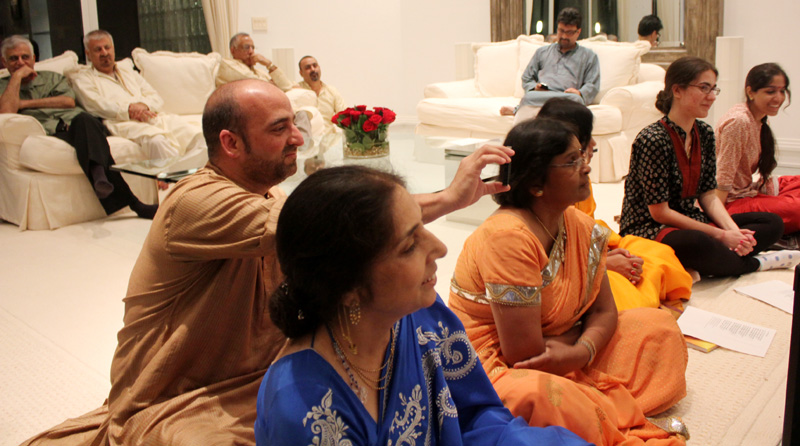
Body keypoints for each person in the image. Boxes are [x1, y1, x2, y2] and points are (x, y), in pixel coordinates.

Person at [19, 79, 516, 446]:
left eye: (294, 125)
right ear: (230, 143)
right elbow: (328, 223)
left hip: (266, 371)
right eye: (280, 129)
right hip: (182, 396)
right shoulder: (192, 203)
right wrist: (449, 198)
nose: (297, 138)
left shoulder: (270, 196)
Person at [256, 165, 589, 445]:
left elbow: (477, 417)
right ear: (348, 287)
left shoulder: (419, 315)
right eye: (409, 245)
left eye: (423, 227)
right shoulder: (305, 409)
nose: (440, 248)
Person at [448, 118, 690, 445]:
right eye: (572, 161)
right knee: (539, 395)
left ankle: (595, 407)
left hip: (562, 350)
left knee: (658, 327)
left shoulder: (576, 223)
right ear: (536, 183)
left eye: (583, 156)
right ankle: (604, 413)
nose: (586, 167)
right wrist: (577, 340)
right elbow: (524, 354)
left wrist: (581, 352)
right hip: (497, 364)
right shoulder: (507, 237)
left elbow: (604, 311)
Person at [619, 57, 790, 277]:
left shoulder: (705, 133)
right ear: (677, 90)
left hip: (692, 219)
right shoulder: (653, 139)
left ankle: (719, 259)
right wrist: (720, 236)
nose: (711, 96)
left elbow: (708, 195)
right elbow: (660, 213)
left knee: (772, 222)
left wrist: (734, 233)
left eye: (713, 89)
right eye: (704, 88)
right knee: (698, 241)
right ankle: (755, 263)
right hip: (649, 228)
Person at [538, 98, 692, 310]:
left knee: (658, 254)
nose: (593, 145)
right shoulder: (543, 190)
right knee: (624, 294)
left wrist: (604, 254)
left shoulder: (579, 177)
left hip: (591, 245)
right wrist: (602, 264)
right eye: (587, 138)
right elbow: (548, 258)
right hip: (568, 268)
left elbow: (586, 226)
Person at [0, 35, 157, 219]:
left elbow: (68, 101)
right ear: (4, 62)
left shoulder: (52, 78)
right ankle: (119, 191)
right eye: (14, 59)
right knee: (90, 137)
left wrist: (23, 104)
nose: (20, 62)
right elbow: (6, 112)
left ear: (34, 59)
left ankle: (102, 177)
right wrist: (17, 77)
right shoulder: (4, 86)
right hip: (51, 132)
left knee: (84, 120)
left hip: (80, 124)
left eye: (25, 57)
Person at [69, 29, 206, 161]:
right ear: (88, 54)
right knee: (157, 141)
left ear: (113, 48)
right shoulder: (83, 79)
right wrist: (129, 110)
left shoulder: (128, 71)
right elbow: (96, 105)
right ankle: (180, 177)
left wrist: (143, 106)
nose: (104, 53)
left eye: (107, 47)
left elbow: (155, 97)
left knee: (196, 135)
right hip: (123, 123)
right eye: (98, 49)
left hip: (153, 116)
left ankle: (203, 175)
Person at [715, 63, 800, 240]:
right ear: (750, 92)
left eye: (782, 91)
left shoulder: (759, 118)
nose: (778, 98)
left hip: (748, 189)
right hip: (730, 201)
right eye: (770, 91)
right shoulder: (739, 122)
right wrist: (715, 223)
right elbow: (722, 179)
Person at [500, 7, 600, 121]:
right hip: (542, 95)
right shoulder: (542, 52)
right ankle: (525, 113)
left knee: (576, 100)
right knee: (529, 96)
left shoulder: (589, 56)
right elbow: (527, 77)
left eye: (569, 32)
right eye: (561, 31)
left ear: (578, 32)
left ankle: (518, 110)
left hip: (567, 97)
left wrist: (580, 93)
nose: (564, 36)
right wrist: (534, 87)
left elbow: (592, 84)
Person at [215, 32, 296, 90]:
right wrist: (273, 84)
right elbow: (254, 83)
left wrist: (269, 64)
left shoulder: (259, 72)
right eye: (246, 47)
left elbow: (286, 87)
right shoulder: (227, 65)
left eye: (253, 48)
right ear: (233, 50)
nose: (251, 51)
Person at [298, 55, 346, 124]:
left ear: (319, 68)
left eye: (315, 66)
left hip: (329, 131)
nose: (313, 69)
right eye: (308, 67)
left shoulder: (331, 91)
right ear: (301, 73)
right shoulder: (297, 91)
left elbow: (344, 116)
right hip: (307, 131)